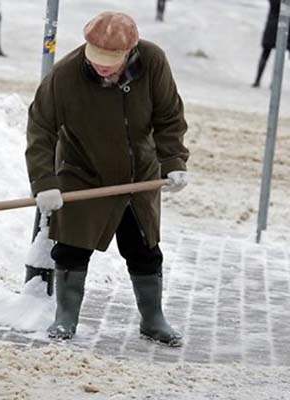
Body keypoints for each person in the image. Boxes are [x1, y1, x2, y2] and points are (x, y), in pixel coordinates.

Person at [25, 12, 189, 346]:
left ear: (130, 51)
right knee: (71, 249)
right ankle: (65, 318)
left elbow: (168, 116)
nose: (102, 66)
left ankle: (152, 319)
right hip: (83, 173)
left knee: (144, 249)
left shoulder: (153, 61)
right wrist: (45, 183)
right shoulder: (66, 76)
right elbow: (40, 128)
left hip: (137, 175)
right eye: (96, 58)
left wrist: (172, 161)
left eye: (110, 61)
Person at [253, 0, 290, 87]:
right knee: (279, 56)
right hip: (285, 26)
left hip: (272, 25)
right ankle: (274, 81)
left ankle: (257, 80)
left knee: (265, 54)